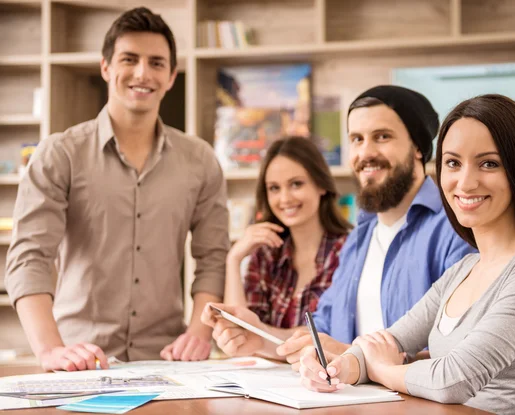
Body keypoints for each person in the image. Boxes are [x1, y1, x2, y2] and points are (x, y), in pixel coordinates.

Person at [298, 94, 515, 415]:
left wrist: (381, 368)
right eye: (453, 163)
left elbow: (453, 379)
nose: (465, 183)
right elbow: (391, 341)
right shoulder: (464, 269)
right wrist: (338, 368)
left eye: (489, 163)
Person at [4, 7, 229, 371]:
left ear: (171, 76)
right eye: (130, 59)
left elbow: (213, 257)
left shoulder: (200, 161)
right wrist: (50, 350)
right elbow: (29, 257)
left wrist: (199, 334)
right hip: (78, 360)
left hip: (166, 364)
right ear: (106, 67)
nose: (143, 73)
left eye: (157, 63)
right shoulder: (60, 154)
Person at [202, 85, 475, 366]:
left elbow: (463, 354)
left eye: (382, 137)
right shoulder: (359, 238)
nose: (365, 153)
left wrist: (351, 357)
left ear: (418, 147)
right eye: (356, 139)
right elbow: (321, 333)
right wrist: (259, 338)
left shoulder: (457, 228)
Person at [223, 137, 351, 328]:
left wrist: (260, 338)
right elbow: (237, 333)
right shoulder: (266, 257)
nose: (285, 198)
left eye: (296, 184)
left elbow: (333, 334)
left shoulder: (348, 251)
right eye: (274, 188)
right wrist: (233, 259)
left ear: (321, 185)